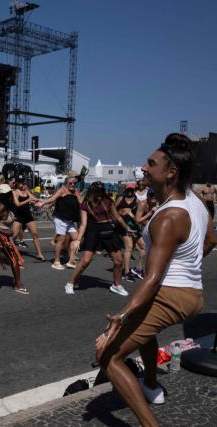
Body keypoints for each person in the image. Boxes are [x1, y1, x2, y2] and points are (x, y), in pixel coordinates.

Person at [95, 134, 216, 426]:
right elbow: (211, 239)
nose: (144, 168)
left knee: (108, 355)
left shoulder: (169, 216)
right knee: (145, 330)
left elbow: (151, 278)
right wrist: (188, 264)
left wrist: (120, 319)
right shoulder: (195, 201)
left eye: (151, 163)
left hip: (169, 293)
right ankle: (150, 384)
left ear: (170, 172)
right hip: (189, 292)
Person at [64, 181, 135, 296]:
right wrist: (77, 240)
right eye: (98, 191)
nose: (100, 193)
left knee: (118, 261)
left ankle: (116, 285)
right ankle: (70, 283)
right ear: (92, 191)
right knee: (86, 260)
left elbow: (117, 216)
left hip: (108, 229)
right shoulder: (85, 204)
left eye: (102, 191)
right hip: (93, 230)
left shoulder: (108, 201)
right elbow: (83, 224)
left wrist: (127, 228)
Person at [37, 174, 83, 270]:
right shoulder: (62, 190)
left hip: (69, 219)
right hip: (60, 218)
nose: (72, 185)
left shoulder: (76, 191)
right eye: (70, 183)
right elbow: (52, 199)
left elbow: (81, 203)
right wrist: (43, 203)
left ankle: (71, 259)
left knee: (76, 238)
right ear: (66, 183)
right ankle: (56, 261)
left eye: (74, 183)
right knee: (61, 240)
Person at [116, 182, 145, 282]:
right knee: (129, 247)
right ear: (125, 190)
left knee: (143, 246)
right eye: (128, 190)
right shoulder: (120, 199)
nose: (130, 192)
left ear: (134, 190)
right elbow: (113, 211)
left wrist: (132, 215)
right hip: (123, 226)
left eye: (131, 190)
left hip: (134, 226)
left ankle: (138, 269)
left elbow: (138, 215)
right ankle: (126, 272)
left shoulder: (137, 201)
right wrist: (120, 212)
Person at [12, 181, 45, 261]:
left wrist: (38, 201)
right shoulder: (14, 192)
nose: (22, 184)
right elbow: (17, 204)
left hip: (28, 216)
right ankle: (8, 252)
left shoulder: (26, 191)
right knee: (13, 236)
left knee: (35, 234)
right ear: (17, 183)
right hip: (19, 216)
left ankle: (39, 254)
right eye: (20, 182)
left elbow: (33, 199)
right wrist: (28, 200)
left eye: (23, 183)